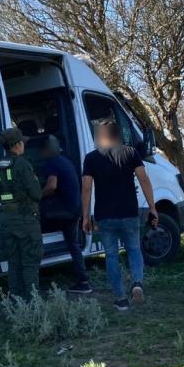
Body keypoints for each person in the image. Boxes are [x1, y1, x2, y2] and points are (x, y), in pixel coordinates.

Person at [81, 119, 158, 310]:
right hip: (129, 212)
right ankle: (137, 283)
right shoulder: (131, 153)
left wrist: (85, 216)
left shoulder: (91, 158)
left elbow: (86, 188)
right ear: (117, 134)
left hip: (105, 216)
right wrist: (152, 207)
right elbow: (144, 179)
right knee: (134, 250)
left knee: (111, 255)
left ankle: (121, 298)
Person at [0, 127, 43, 299]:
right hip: (25, 218)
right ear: (17, 145)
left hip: (6, 218)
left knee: (13, 264)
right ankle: (34, 304)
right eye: (23, 143)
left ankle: (17, 303)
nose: (24, 146)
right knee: (29, 263)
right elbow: (36, 194)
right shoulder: (23, 164)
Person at [39, 135, 91, 294]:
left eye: (42, 150)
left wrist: (37, 196)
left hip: (61, 212)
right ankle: (84, 282)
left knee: (33, 227)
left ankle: (34, 278)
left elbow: (51, 186)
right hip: (75, 209)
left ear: (48, 149)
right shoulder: (66, 161)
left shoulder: (52, 163)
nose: (40, 153)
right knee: (73, 245)